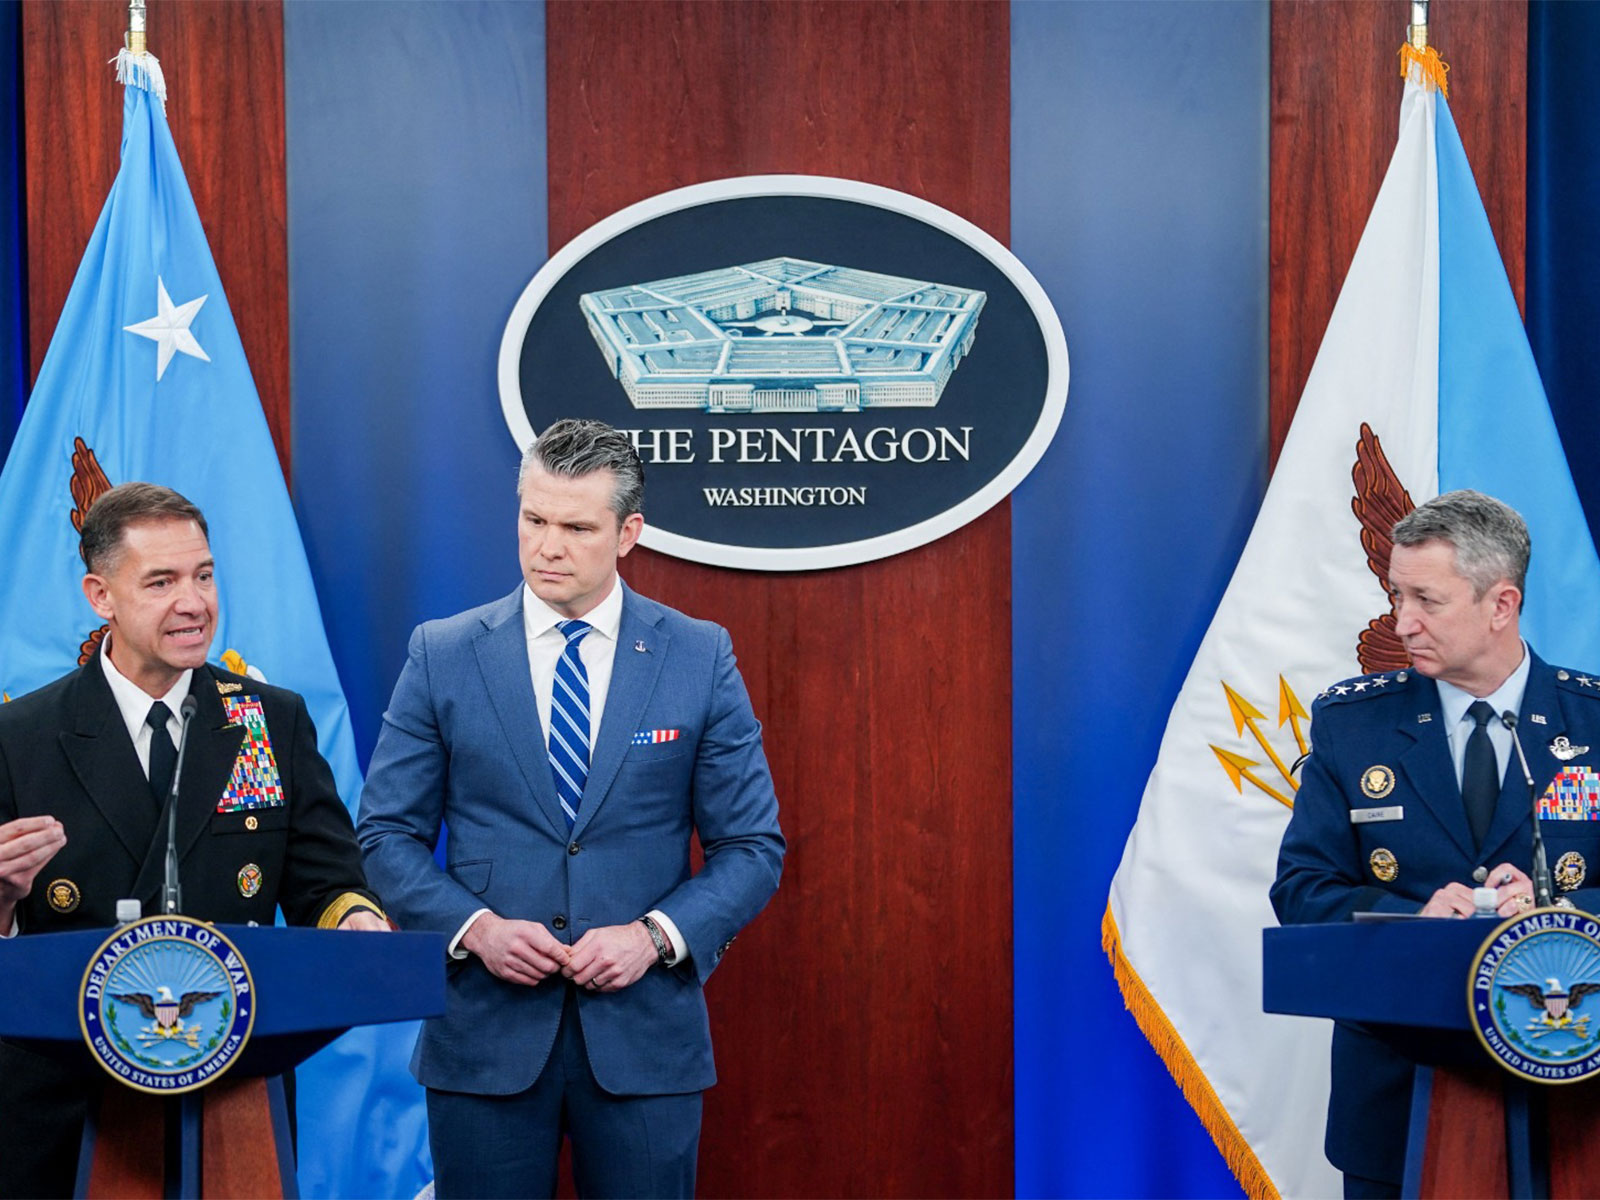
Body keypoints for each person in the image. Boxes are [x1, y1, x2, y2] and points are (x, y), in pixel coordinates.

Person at [357, 418, 784, 1199]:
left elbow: (753, 847)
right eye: (533, 519)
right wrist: (475, 930)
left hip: (644, 1039)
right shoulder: (442, 653)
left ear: (629, 533)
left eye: (576, 527)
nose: (547, 546)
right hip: (482, 1038)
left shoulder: (699, 655)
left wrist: (654, 938)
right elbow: (385, 833)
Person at [0, 482, 387, 1199]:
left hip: (233, 1099)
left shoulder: (269, 721)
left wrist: (356, 920)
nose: (194, 601)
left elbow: (327, 884)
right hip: (66, 1113)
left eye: (204, 575)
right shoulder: (21, 736)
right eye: (162, 581)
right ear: (100, 595)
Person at [1272, 489, 1600, 1197]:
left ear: (1501, 606)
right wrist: (1410, 920)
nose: (1402, 621)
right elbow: (1302, 889)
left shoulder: (1593, 721)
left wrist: (1564, 909)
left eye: (1427, 600)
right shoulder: (1352, 725)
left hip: (1571, 1092)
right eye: (1396, 595)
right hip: (1396, 1099)